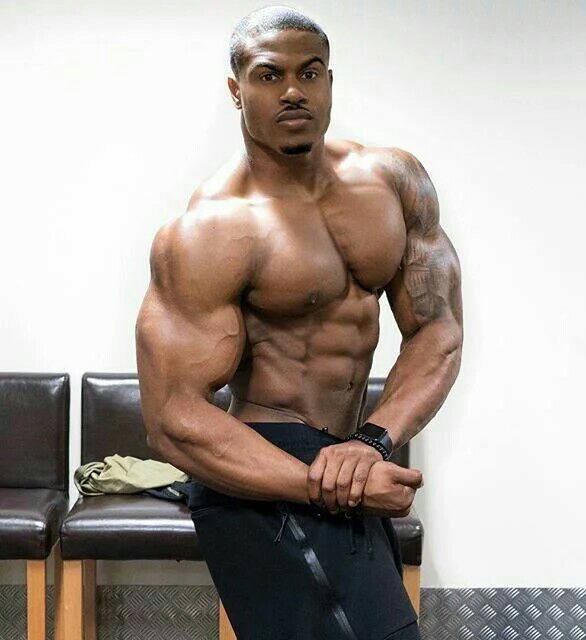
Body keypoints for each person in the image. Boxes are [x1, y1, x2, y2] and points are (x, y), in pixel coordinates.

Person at [135, 6, 463, 639]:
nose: (293, 90)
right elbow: (173, 418)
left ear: (330, 82)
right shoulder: (212, 230)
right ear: (236, 90)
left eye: (309, 73)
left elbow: (437, 332)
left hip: (349, 456)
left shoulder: (393, 184)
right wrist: (326, 484)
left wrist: (371, 444)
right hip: (262, 471)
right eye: (269, 75)